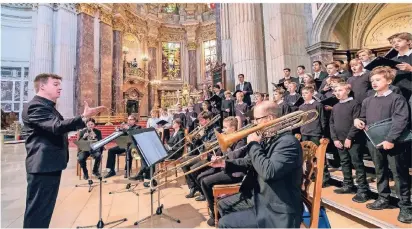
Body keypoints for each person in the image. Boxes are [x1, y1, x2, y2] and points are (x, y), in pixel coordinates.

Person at [22, 73, 105, 228]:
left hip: (49, 164)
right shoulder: (36, 106)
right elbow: (56, 127)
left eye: (60, 84)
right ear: (42, 86)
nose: (60, 87)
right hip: (42, 165)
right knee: (38, 212)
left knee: (44, 210)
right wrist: (83, 118)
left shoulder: (47, 107)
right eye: (55, 84)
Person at [216, 101, 303, 228]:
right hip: (261, 197)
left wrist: (253, 145)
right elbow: (250, 162)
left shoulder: (288, 142)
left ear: (270, 118)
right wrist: (224, 163)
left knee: (225, 223)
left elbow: (269, 172)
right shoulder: (270, 138)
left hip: (277, 210)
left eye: (257, 119)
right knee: (223, 204)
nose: (254, 123)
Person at [354, 66, 411, 223]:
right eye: (372, 80)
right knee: (380, 171)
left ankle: (405, 206)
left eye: (378, 79)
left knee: (400, 175)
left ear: (389, 81)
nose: (374, 82)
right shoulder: (367, 100)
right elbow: (363, 117)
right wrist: (358, 120)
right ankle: (383, 198)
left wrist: (390, 139)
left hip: (394, 143)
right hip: (374, 142)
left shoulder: (396, 98)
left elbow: (401, 120)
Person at [201, 117, 247, 226]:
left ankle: (215, 213)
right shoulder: (229, 138)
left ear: (233, 128)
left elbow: (234, 157)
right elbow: (224, 158)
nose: (223, 129)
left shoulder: (241, 141)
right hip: (227, 169)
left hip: (236, 174)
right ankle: (215, 209)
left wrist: (225, 146)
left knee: (205, 182)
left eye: (225, 127)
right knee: (203, 179)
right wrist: (214, 157)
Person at [330, 82, 371, 202]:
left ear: (347, 91)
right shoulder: (336, 106)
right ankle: (348, 184)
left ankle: (363, 190)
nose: (337, 93)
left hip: (353, 140)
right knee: (344, 162)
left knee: (357, 163)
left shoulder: (355, 104)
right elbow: (331, 123)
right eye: (336, 91)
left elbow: (356, 123)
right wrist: (335, 139)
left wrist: (349, 138)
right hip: (340, 140)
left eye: (340, 90)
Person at [104, 115, 141, 179]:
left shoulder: (138, 127)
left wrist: (128, 128)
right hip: (124, 145)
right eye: (128, 119)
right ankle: (111, 170)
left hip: (132, 146)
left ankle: (127, 171)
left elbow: (134, 134)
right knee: (111, 150)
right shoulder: (126, 128)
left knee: (129, 152)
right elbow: (121, 136)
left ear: (134, 121)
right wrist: (118, 130)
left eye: (130, 119)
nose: (128, 121)